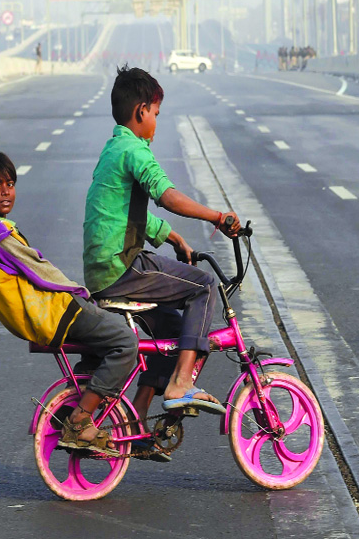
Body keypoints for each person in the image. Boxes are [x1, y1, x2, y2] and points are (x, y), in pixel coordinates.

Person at [83, 65, 241, 423]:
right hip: (121, 266)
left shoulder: (113, 149)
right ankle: (181, 383)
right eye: (156, 114)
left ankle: (136, 417)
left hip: (103, 268)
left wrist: (172, 236)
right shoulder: (134, 150)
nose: (156, 121)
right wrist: (217, 217)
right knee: (203, 286)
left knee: (173, 330)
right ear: (141, 111)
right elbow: (166, 196)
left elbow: (125, 214)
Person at [0, 150, 138, 457]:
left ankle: (75, 407)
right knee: (125, 341)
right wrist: (80, 292)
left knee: (102, 344)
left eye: (10, 184)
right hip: (55, 313)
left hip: (41, 319)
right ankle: (80, 420)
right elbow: (40, 270)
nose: (5, 191)